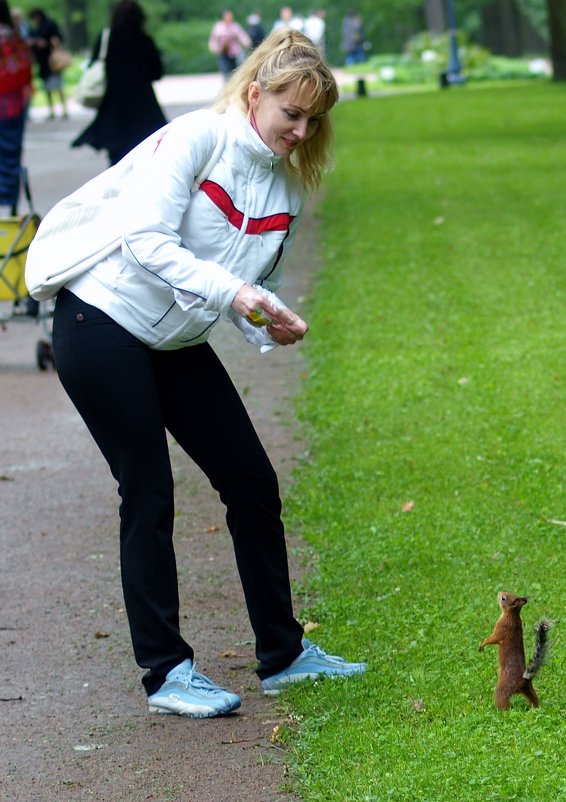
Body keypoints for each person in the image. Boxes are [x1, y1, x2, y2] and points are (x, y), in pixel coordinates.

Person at [25, 28, 367, 719]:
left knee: (250, 480)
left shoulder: (286, 189)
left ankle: (285, 655)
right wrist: (237, 297)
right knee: (147, 489)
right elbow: (146, 241)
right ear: (255, 95)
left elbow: (232, 284)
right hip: (101, 319)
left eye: (312, 120)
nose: (300, 131)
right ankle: (167, 673)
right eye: (289, 113)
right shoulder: (195, 139)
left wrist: (267, 318)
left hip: (172, 340)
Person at [72, 0, 166, 167]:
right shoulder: (144, 41)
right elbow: (157, 72)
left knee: (117, 162)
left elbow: (94, 63)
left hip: (115, 108)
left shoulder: (106, 39)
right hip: (143, 108)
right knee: (147, 155)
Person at [0, 0, 31, 213]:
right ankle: (10, 208)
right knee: (11, 156)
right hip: (12, 106)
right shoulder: (14, 39)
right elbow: (25, 73)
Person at [27, 7, 68, 119]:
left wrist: (47, 43)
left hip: (52, 61)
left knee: (58, 86)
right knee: (47, 88)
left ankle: (64, 109)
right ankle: (52, 110)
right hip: (42, 62)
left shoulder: (50, 25)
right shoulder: (35, 28)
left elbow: (57, 38)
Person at [208, 9, 251, 80]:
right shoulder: (218, 27)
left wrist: (247, 42)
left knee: (236, 72)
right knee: (225, 71)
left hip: (234, 52)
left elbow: (242, 36)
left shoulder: (235, 26)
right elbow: (213, 39)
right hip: (223, 52)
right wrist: (215, 48)